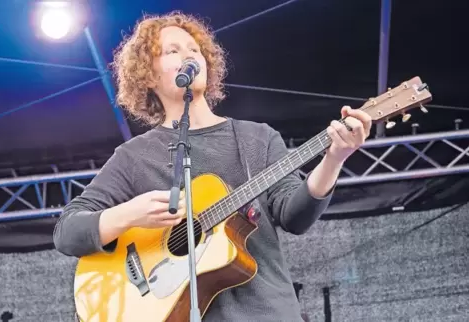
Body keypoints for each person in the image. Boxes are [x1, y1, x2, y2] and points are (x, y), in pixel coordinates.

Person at [53, 11, 372, 321]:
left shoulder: (257, 138)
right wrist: (130, 214)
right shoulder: (133, 157)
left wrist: (335, 158)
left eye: (195, 49)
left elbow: (295, 216)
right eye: (172, 50)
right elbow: (67, 231)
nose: (190, 55)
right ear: (148, 74)